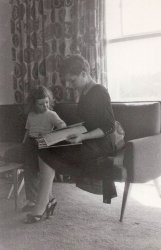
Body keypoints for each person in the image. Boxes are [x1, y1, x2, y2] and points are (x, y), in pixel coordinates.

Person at [24, 54, 118, 224]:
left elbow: (109, 127)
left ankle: (43, 202)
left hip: (101, 143)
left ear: (84, 73)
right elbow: (86, 121)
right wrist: (66, 132)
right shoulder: (84, 91)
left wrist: (82, 135)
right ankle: (46, 199)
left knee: (46, 149)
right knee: (43, 143)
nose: (68, 85)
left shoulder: (99, 92)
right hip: (86, 137)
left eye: (72, 80)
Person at [22, 86, 66, 212]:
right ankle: (32, 200)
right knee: (29, 170)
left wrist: (55, 133)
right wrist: (23, 143)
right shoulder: (31, 115)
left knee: (43, 173)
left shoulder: (51, 114)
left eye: (47, 102)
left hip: (45, 143)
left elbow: (62, 125)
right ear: (33, 104)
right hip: (31, 142)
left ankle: (46, 199)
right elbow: (28, 131)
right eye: (41, 104)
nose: (45, 106)